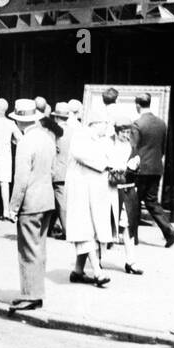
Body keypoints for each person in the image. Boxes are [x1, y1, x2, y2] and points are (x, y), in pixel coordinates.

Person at [64, 90, 117, 286]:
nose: (107, 128)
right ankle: (97, 272)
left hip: (94, 192)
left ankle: (78, 271)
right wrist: (104, 164)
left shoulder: (102, 139)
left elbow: (110, 156)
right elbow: (80, 154)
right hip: (80, 190)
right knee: (85, 230)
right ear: (96, 123)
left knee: (91, 230)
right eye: (106, 124)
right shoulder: (81, 135)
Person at [9, 99, 59, 311]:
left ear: (20, 121)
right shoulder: (47, 138)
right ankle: (34, 292)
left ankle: (31, 294)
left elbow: (21, 178)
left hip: (30, 202)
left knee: (28, 249)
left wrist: (13, 207)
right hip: (46, 199)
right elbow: (53, 170)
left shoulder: (24, 142)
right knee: (39, 248)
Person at [129, 93, 174, 248]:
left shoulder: (137, 124)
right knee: (152, 201)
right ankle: (168, 230)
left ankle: (132, 236)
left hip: (140, 168)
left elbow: (133, 148)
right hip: (156, 167)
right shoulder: (161, 123)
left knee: (134, 203)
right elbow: (163, 148)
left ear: (137, 105)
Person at [109, 117, 143, 275]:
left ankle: (131, 261)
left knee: (128, 226)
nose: (126, 135)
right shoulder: (108, 145)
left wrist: (134, 165)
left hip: (127, 190)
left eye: (128, 132)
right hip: (109, 190)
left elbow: (136, 164)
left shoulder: (132, 147)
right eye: (123, 132)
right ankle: (96, 258)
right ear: (116, 132)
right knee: (104, 224)